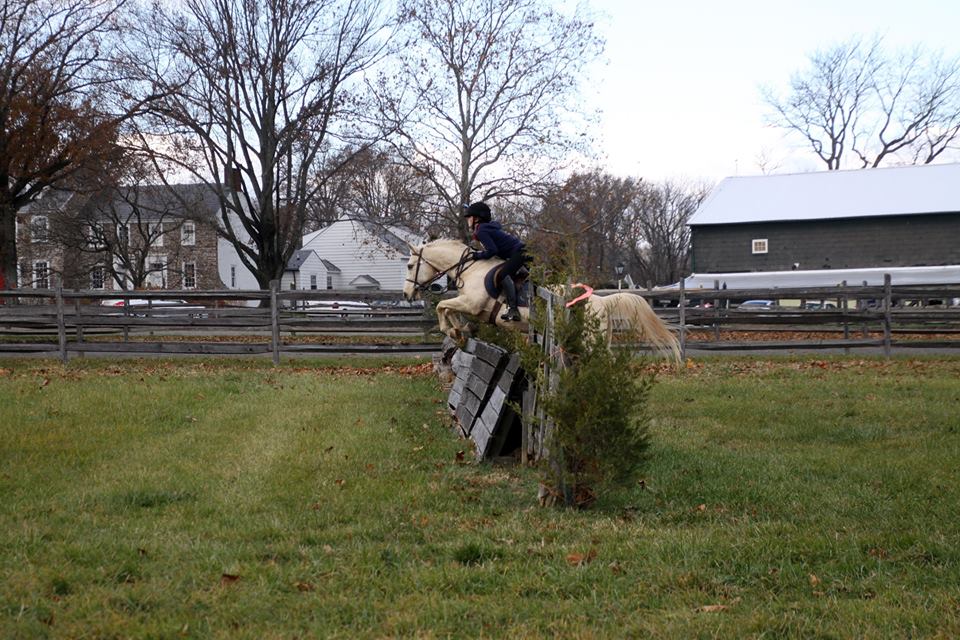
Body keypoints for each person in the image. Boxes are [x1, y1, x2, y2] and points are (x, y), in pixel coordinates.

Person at [463, 201, 527, 321]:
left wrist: (477, 256)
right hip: (518, 252)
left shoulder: (481, 230)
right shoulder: (484, 228)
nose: (468, 220)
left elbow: (492, 250)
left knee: (503, 274)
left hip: (520, 253)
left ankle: (513, 310)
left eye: (469, 217)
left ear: (477, 218)